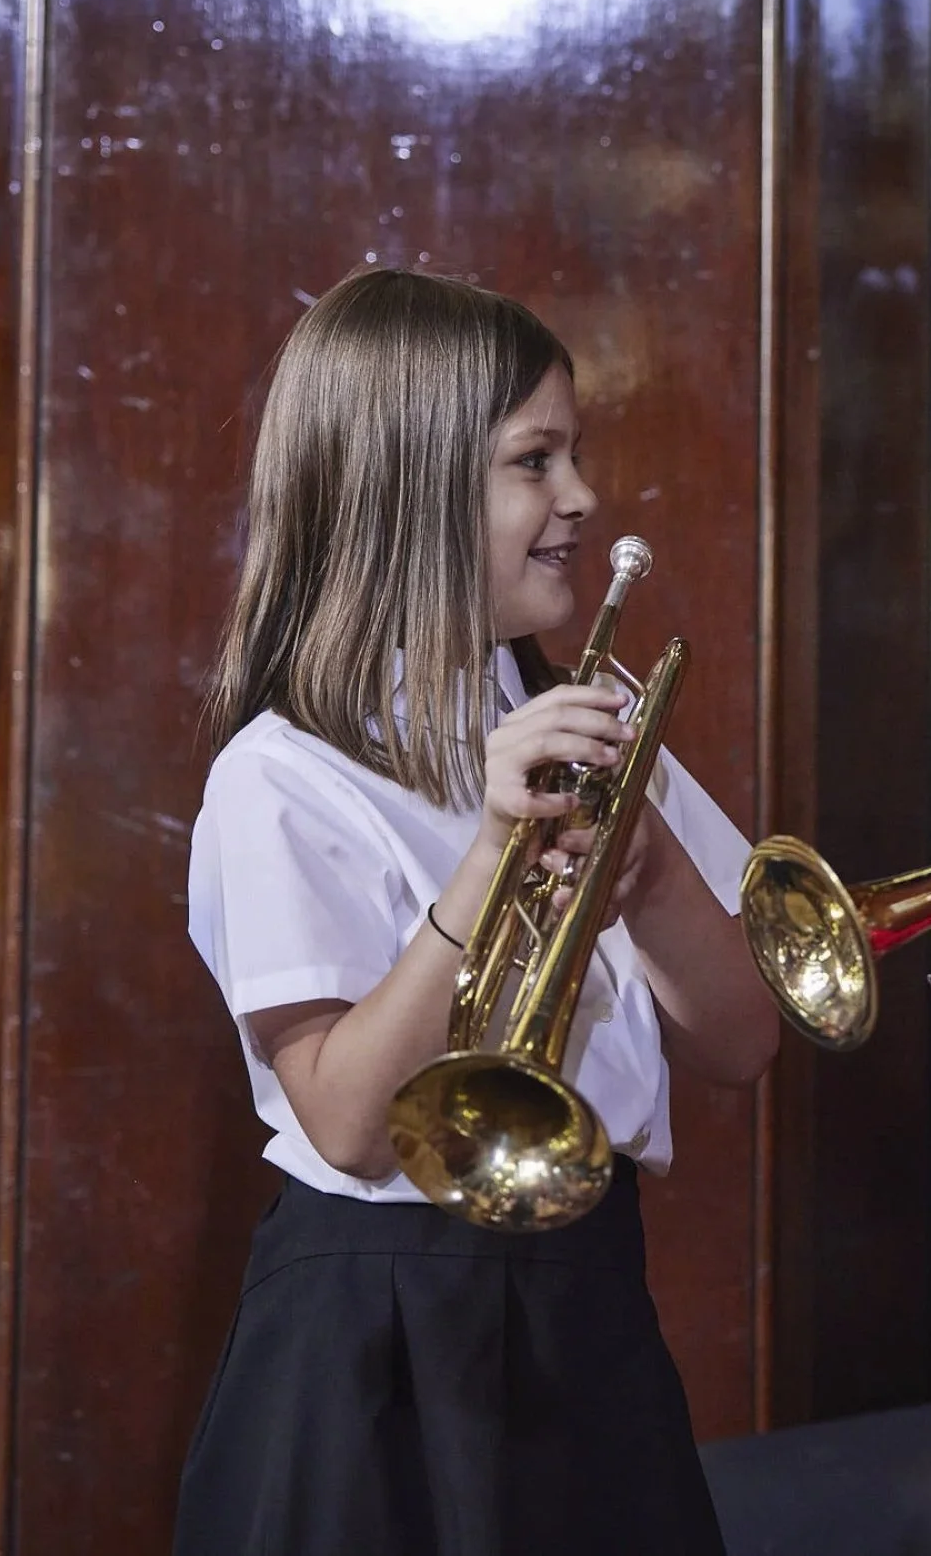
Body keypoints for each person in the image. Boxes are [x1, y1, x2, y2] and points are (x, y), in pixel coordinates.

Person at [172, 267, 776, 1555]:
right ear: (411, 487)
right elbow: (349, 1122)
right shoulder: (281, 774)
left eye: (575, 454)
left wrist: (650, 874)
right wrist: (492, 854)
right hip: (378, 1322)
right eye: (534, 461)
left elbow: (743, 1039)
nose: (582, 497)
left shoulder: (597, 723)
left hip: (586, 1295)